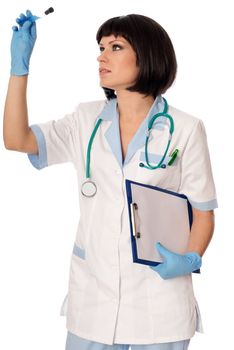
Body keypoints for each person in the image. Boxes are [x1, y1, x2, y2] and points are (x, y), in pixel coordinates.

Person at [3, 9, 218, 350]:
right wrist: (19, 70)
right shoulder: (85, 120)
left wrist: (190, 259)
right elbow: (17, 139)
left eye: (115, 47)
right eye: (100, 48)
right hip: (93, 301)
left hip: (159, 307)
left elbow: (203, 212)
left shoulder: (186, 129)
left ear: (146, 56)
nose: (101, 56)